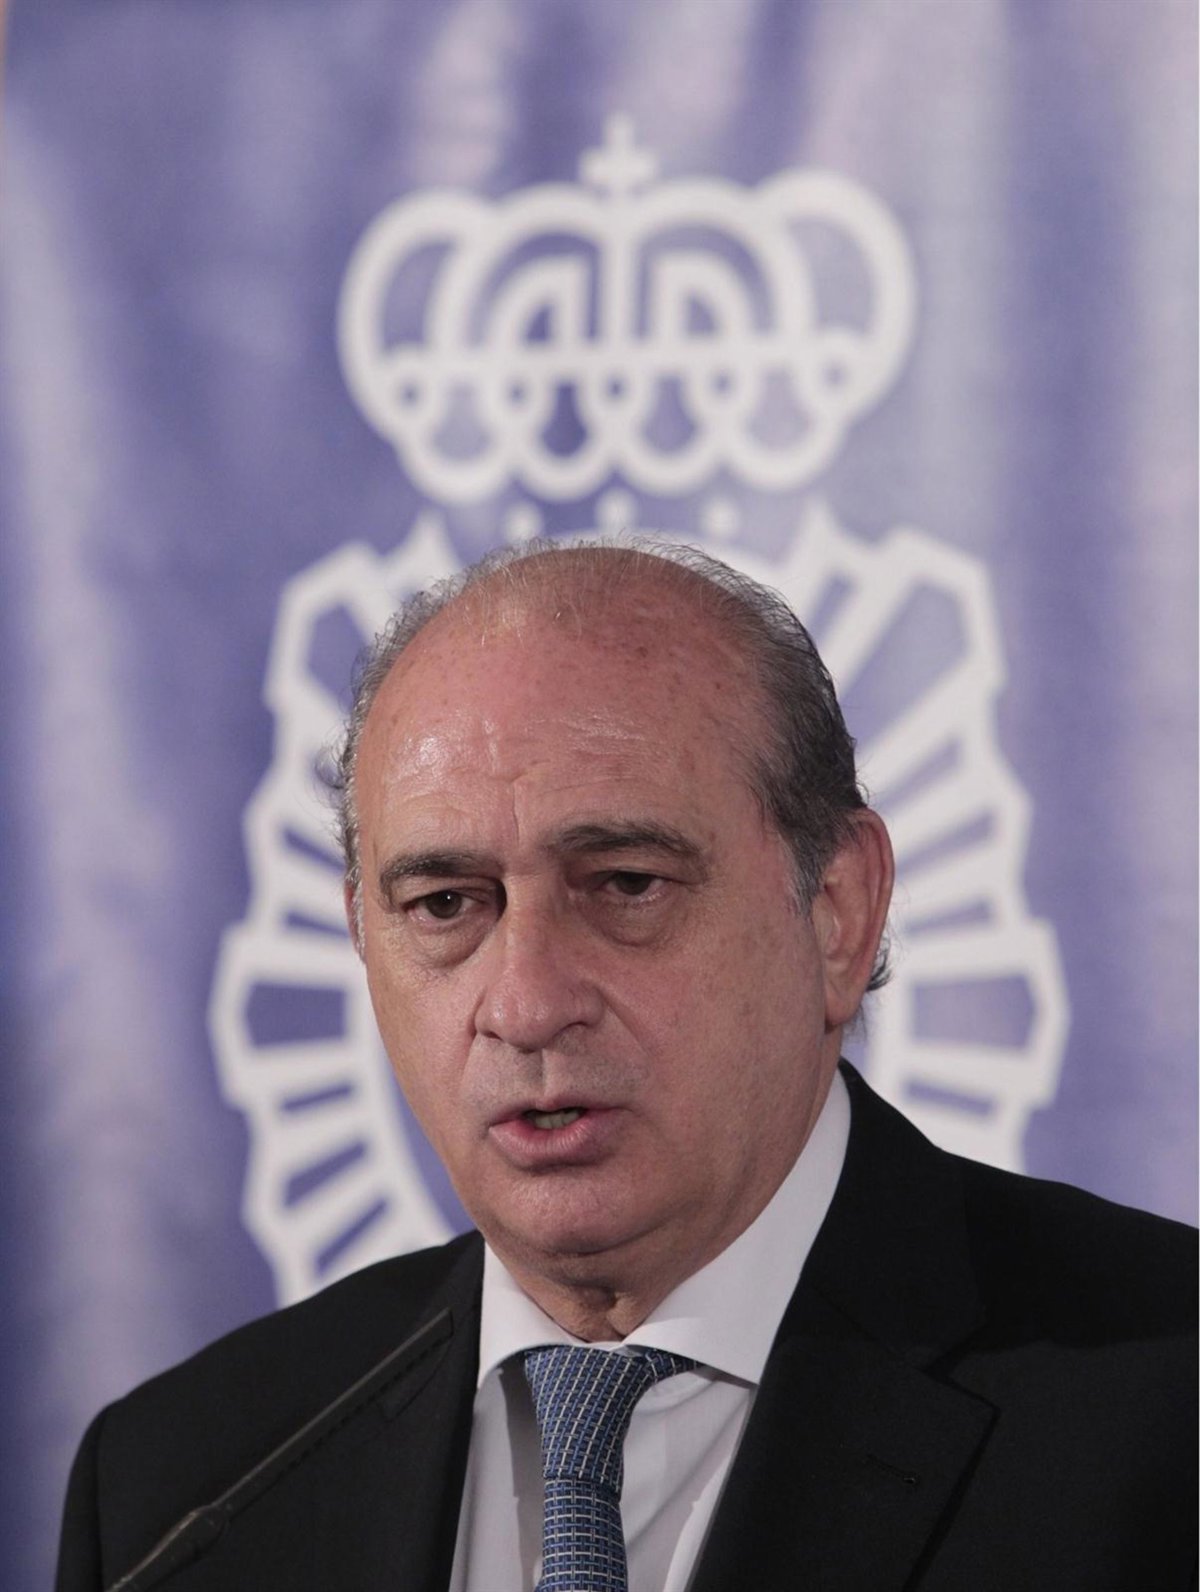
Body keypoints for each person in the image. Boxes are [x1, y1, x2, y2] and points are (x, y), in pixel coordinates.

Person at [57, 541, 1195, 1592]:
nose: (525, 1004)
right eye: (446, 903)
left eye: (627, 884)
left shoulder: (1165, 1409)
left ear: (838, 911)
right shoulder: (182, 1488)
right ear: (364, 935)